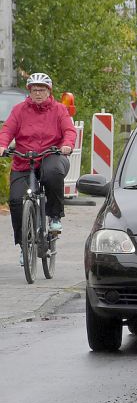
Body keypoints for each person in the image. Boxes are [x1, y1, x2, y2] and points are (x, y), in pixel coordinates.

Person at [0, 73, 76, 265]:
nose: (38, 93)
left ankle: (55, 216)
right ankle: (24, 245)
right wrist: (2, 145)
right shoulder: (19, 110)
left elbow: (69, 130)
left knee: (52, 173)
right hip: (24, 159)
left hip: (51, 155)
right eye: (34, 90)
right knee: (16, 201)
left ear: (49, 91)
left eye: (42, 90)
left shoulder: (59, 110)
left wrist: (67, 144)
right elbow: (7, 130)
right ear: (30, 92)